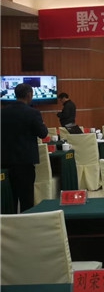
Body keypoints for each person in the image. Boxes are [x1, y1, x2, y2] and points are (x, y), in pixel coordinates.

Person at [1, 83, 48, 212]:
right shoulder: (33, 113)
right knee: (26, 198)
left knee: (9, 197)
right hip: (25, 161)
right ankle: (26, 222)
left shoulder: (2, 112)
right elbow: (43, 133)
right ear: (29, 95)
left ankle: (8, 222)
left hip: (4, 161)